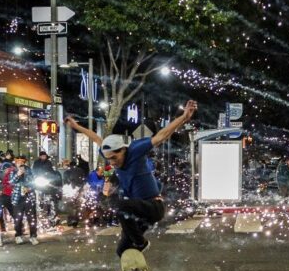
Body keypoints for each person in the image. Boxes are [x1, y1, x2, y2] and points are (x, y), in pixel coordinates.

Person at [63, 100, 197, 257]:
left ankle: (142, 243)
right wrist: (77, 127)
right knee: (123, 250)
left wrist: (183, 117)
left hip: (152, 206)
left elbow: (161, 136)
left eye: (114, 157)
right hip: (136, 211)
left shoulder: (135, 150)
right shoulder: (109, 152)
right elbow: (97, 139)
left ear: (123, 150)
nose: (113, 162)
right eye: (109, 159)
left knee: (120, 206)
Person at [9, 156, 39, 245]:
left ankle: (33, 236)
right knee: (18, 219)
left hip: (29, 197)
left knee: (32, 218)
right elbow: (11, 182)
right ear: (15, 162)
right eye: (18, 161)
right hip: (17, 199)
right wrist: (18, 174)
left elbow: (35, 183)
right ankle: (18, 235)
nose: (20, 163)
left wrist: (29, 188)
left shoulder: (29, 170)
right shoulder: (13, 171)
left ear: (24, 162)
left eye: (22, 161)